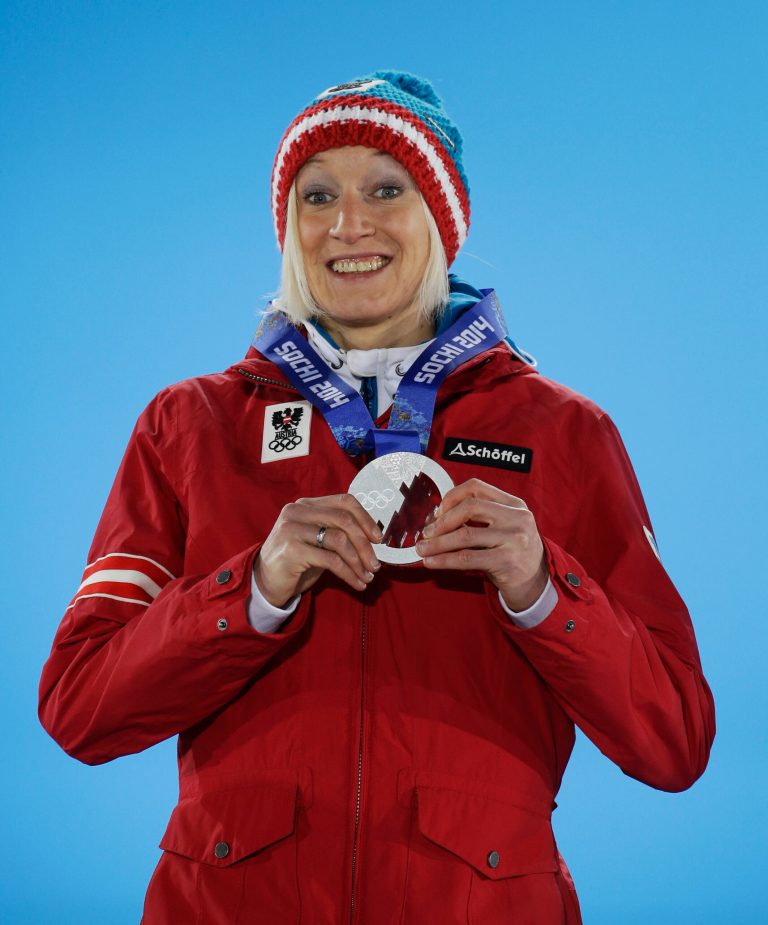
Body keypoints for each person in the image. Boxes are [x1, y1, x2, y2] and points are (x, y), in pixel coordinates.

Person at [39, 71, 715, 924]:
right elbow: (78, 705)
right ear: (289, 227)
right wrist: (249, 592)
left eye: (386, 189)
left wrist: (544, 588)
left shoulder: (566, 432)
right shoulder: (190, 425)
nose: (348, 224)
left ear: (441, 219)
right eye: (317, 194)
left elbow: (676, 737)